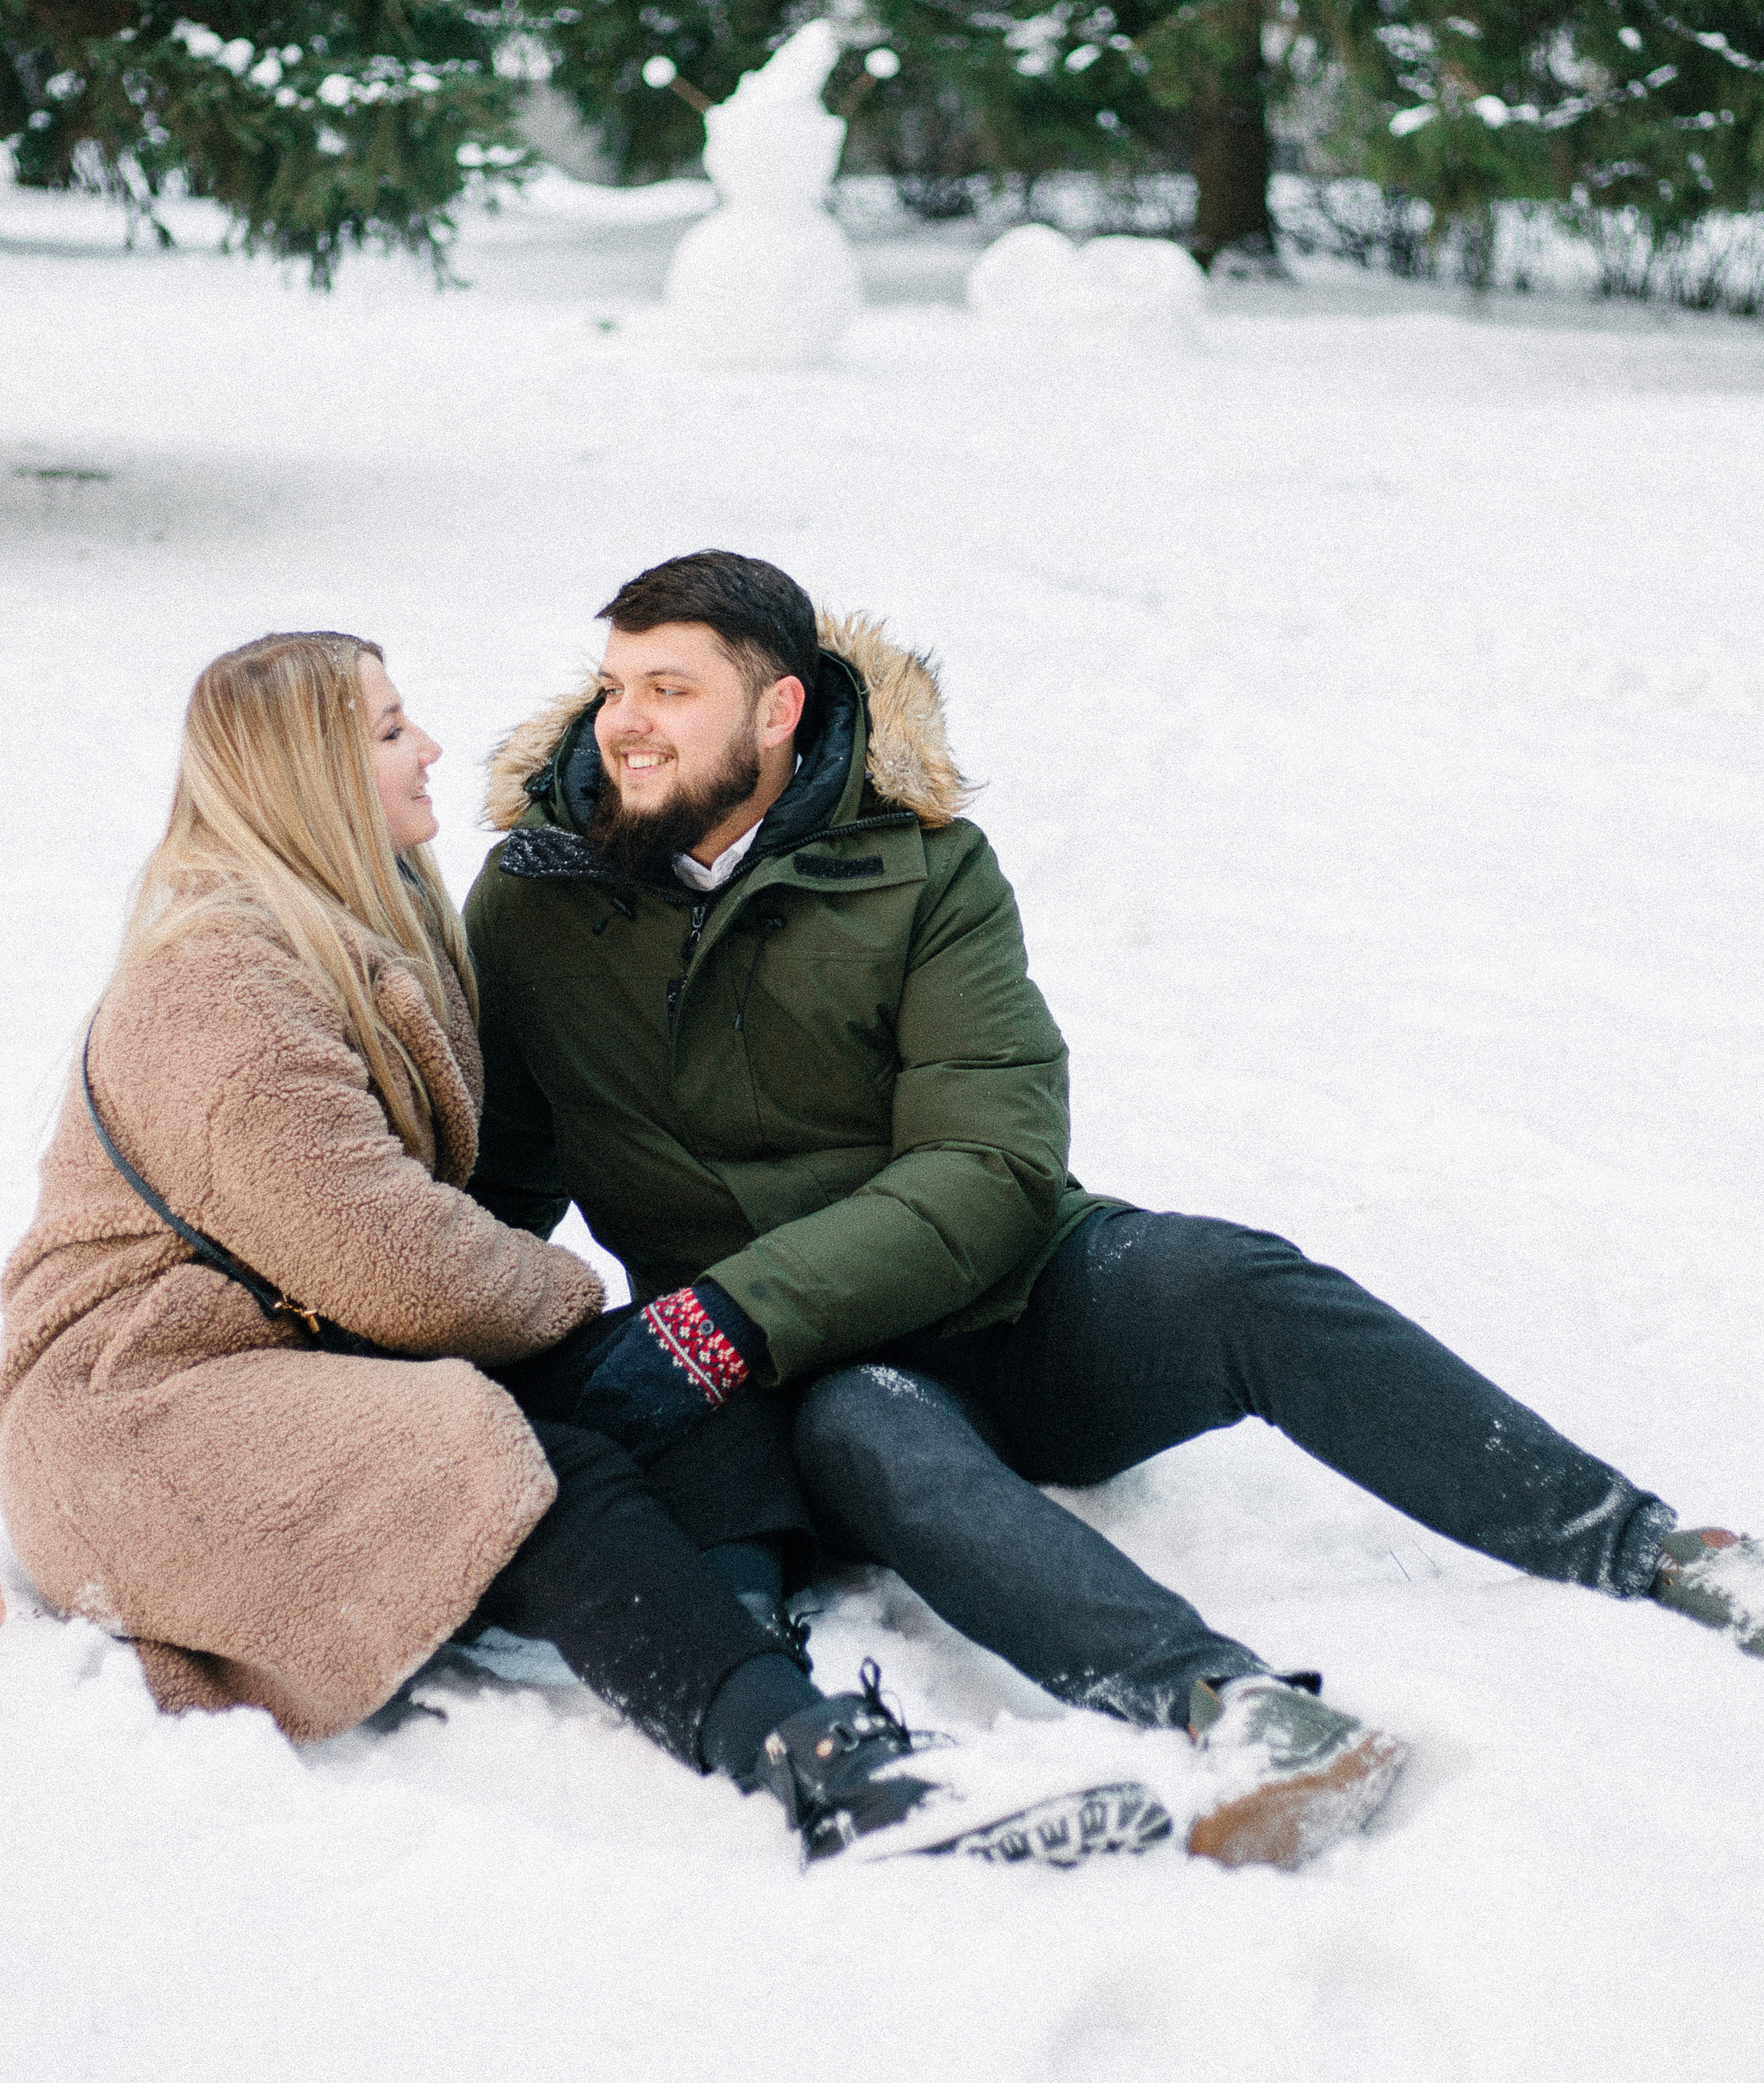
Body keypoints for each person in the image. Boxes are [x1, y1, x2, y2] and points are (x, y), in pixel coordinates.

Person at [465, 553, 1764, 1872]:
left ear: (777, 711)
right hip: (815, 1372)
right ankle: (1232, 1707)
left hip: (1006, 1295)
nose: (624, 723)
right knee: (879, 1436)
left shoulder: (921, 870)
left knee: (1225, 1276)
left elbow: (992, 1168)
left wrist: (735, 1310)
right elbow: (511, 1173)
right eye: (612, 685)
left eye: (668, 689)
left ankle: (1642, 1541)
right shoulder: (535, 906)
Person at [0, 631, 1170, 1869]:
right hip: (140, 1402)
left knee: (686, 1363)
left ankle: (741, 1643)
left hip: (294, 1358)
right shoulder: (218, 984)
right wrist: (564, 1295)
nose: (430, 747)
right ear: (310, 776)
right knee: (501, 1453)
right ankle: (812, 1766)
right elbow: (385, 1256)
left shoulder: (352, 925)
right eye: (391, 730)